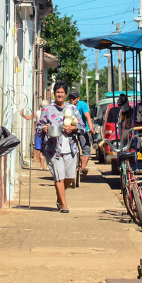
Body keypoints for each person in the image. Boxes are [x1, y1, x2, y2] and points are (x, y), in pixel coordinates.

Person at [38, 83, 84, 212]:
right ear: (54, 93)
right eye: (57, 92)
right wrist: (45, 128)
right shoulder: (47, 109)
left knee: (70, 176)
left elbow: (81, 127)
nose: (60, 94)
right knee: (59, 176)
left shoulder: (72, 109)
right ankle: (64, 204)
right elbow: (39, 128)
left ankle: (59, 197)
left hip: (70, 147)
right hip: (53, 149)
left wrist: (72, 128)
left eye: (62, 92)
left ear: (65, 94)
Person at [69, 90, 94, 176]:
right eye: (70, 98)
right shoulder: (67, 106)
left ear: (78, 99)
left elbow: (88, 117)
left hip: (83, 129)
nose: (71, 100)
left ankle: (82, 168)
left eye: (73, 98)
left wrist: (91, 129)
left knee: (86, 148)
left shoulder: (83, 105)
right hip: (71, 129)